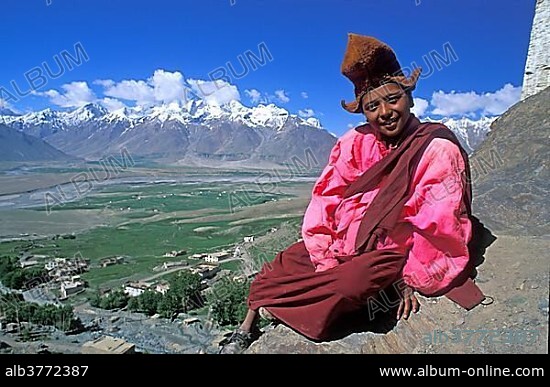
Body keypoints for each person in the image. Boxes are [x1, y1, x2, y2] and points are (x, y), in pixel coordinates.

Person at [219, 33, 486, 354]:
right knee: (283, 263)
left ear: (410, 98)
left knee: (350, 284)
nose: (385, 112)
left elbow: (438, 225)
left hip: (393, 251)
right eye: (373, 106)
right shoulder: (354, 142)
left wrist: (412, 278)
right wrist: (324, 253)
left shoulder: (436, 148)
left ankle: (312, 310)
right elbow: (325, 201)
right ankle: (247, 326)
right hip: (344, 242)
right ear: (363, 112)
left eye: (393, 99)